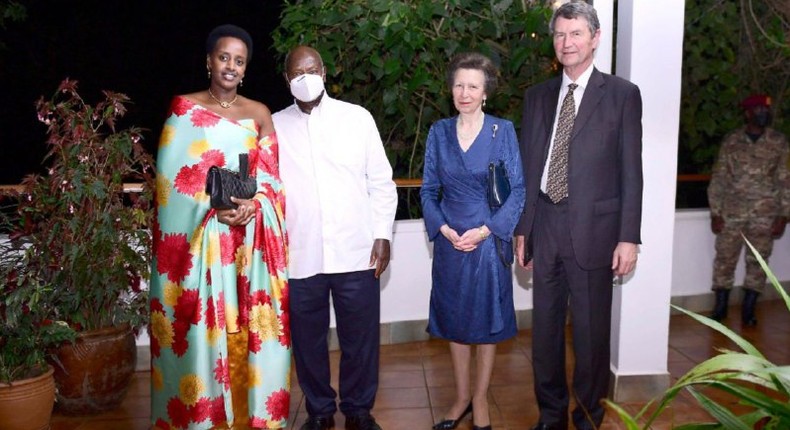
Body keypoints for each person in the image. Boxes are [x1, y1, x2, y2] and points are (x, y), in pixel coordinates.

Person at [149, 24, 291, 429]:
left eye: (239, 61)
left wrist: (254, 207)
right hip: (202, 249)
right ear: (209, 61)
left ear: (246, 69)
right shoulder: (184, 111)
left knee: (248, 329)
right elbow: (170, 186)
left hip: (250, 245)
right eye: (224, 57)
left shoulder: (258, 113)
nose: (230, 66)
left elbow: (271, 179)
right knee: (206, 332)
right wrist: (213, 214)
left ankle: (248, 419)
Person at [514, 2, 643, 429]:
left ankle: (587, 417)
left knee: (589, 337)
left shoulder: (622, 94)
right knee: (545, 336)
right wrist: (524, 228)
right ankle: (551, 416)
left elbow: (631, 171)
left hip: (595, 232)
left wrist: (629, 237)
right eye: (559, 35)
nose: (566, 43)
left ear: (595, 38)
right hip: (545, 225)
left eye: (575, 34)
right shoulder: (537, 98)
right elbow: (531, 168)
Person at [272, 46, 398, 430]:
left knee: (360, 339)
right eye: (297, 72)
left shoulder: (356, 119)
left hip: (356, 251)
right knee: (308, 343)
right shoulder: (274, 125)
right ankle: (321, 412)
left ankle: (358, 411)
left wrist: (383, 235)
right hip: (301, 254)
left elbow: (381, 181)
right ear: (287, 79)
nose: (305, 77)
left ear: (324, 72)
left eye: (312, 69)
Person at [420, 52, 525, 430]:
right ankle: (461, 397)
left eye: (473, 86)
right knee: (455, 322)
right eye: (459, 85)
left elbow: (517, 192)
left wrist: (485, 230)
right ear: (451, 90)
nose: (465, 92)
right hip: (450, 242)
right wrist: (444, 230)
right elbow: (429, 190)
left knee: (486, 325)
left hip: (487, 240)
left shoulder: (503, 131)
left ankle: (480, 399)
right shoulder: (438, 132)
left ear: (486, 93)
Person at [707, 94, 789, 326]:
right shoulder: (732, 141)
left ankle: (749, 310)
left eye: (767, 110)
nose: (765, 114)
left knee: (759, 261)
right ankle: (720, 307)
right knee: (724, 259)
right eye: (760, 110)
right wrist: (715, 211)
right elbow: (720, 176)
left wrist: (784, 214)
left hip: (765, 213)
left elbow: (785, 179)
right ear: (748, 113)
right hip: (732, 212)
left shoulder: (779, 142)